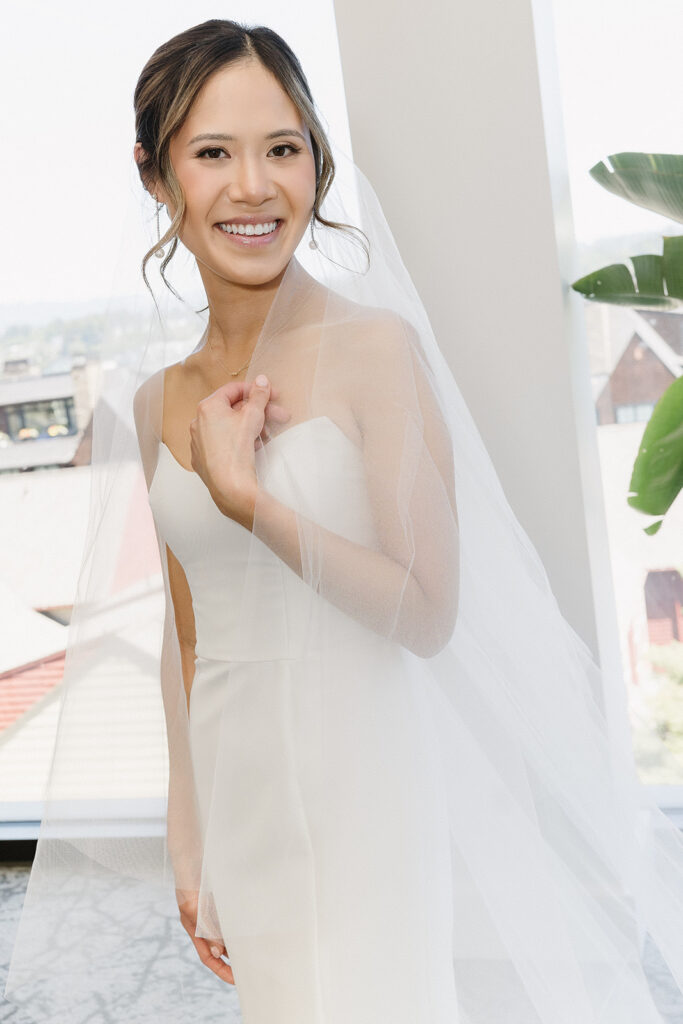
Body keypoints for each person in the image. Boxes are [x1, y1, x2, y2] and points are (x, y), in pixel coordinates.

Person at [5, 17, 683, 1024]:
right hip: (243, 796)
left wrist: (254, 506)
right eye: (212, 153)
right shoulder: (155, 403)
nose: (253, 186)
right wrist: (189, 840)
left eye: (283, 148)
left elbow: (424, 611)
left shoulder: (375, 349)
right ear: (155, 175)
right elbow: (184, 640)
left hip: (365, 774)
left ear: (317, 163)